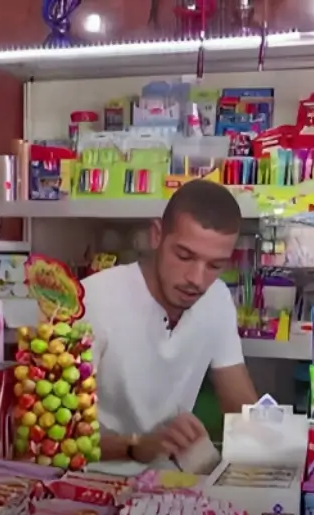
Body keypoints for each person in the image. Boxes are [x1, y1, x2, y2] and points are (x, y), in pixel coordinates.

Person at [83, 179, 260, 464]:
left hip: (168, 483)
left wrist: (280, 448)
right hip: (92, 483)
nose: (197, 279)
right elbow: (53, 440)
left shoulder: (216, 298)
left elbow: (240, 403)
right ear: (156, 236)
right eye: (184, 256)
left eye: (215, 265)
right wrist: (134, 446)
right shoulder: (94, 301)